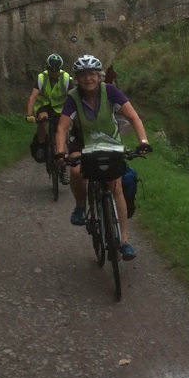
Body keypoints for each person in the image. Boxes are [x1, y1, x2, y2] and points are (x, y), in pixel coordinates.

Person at [55, 54, 152, 261]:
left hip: (110, 142)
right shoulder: (73, 97)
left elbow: (133, 117)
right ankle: (81, 206)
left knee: (115, 186)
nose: (88, 79)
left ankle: (124, 241)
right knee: (75, 170)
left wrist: (143, 142)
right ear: (77, 78)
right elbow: (62, 128)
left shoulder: (111, 91)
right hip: (83, 141)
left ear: (99, 76)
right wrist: (61, 152)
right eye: (83, 75)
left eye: (92, 74)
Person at [26, 53, 72, 183]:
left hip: (61, 108)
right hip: (44, 106)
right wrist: (29, 114)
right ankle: (41, 146)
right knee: (42, 120)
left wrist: (74, 114)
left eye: (56, 70)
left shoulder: (66, 78)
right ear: (48, 68)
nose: (54, 73)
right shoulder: (42, 77)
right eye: (51, 70)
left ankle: (63, 170)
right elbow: (32, 97)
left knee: (61, 134)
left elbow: (74, 97)